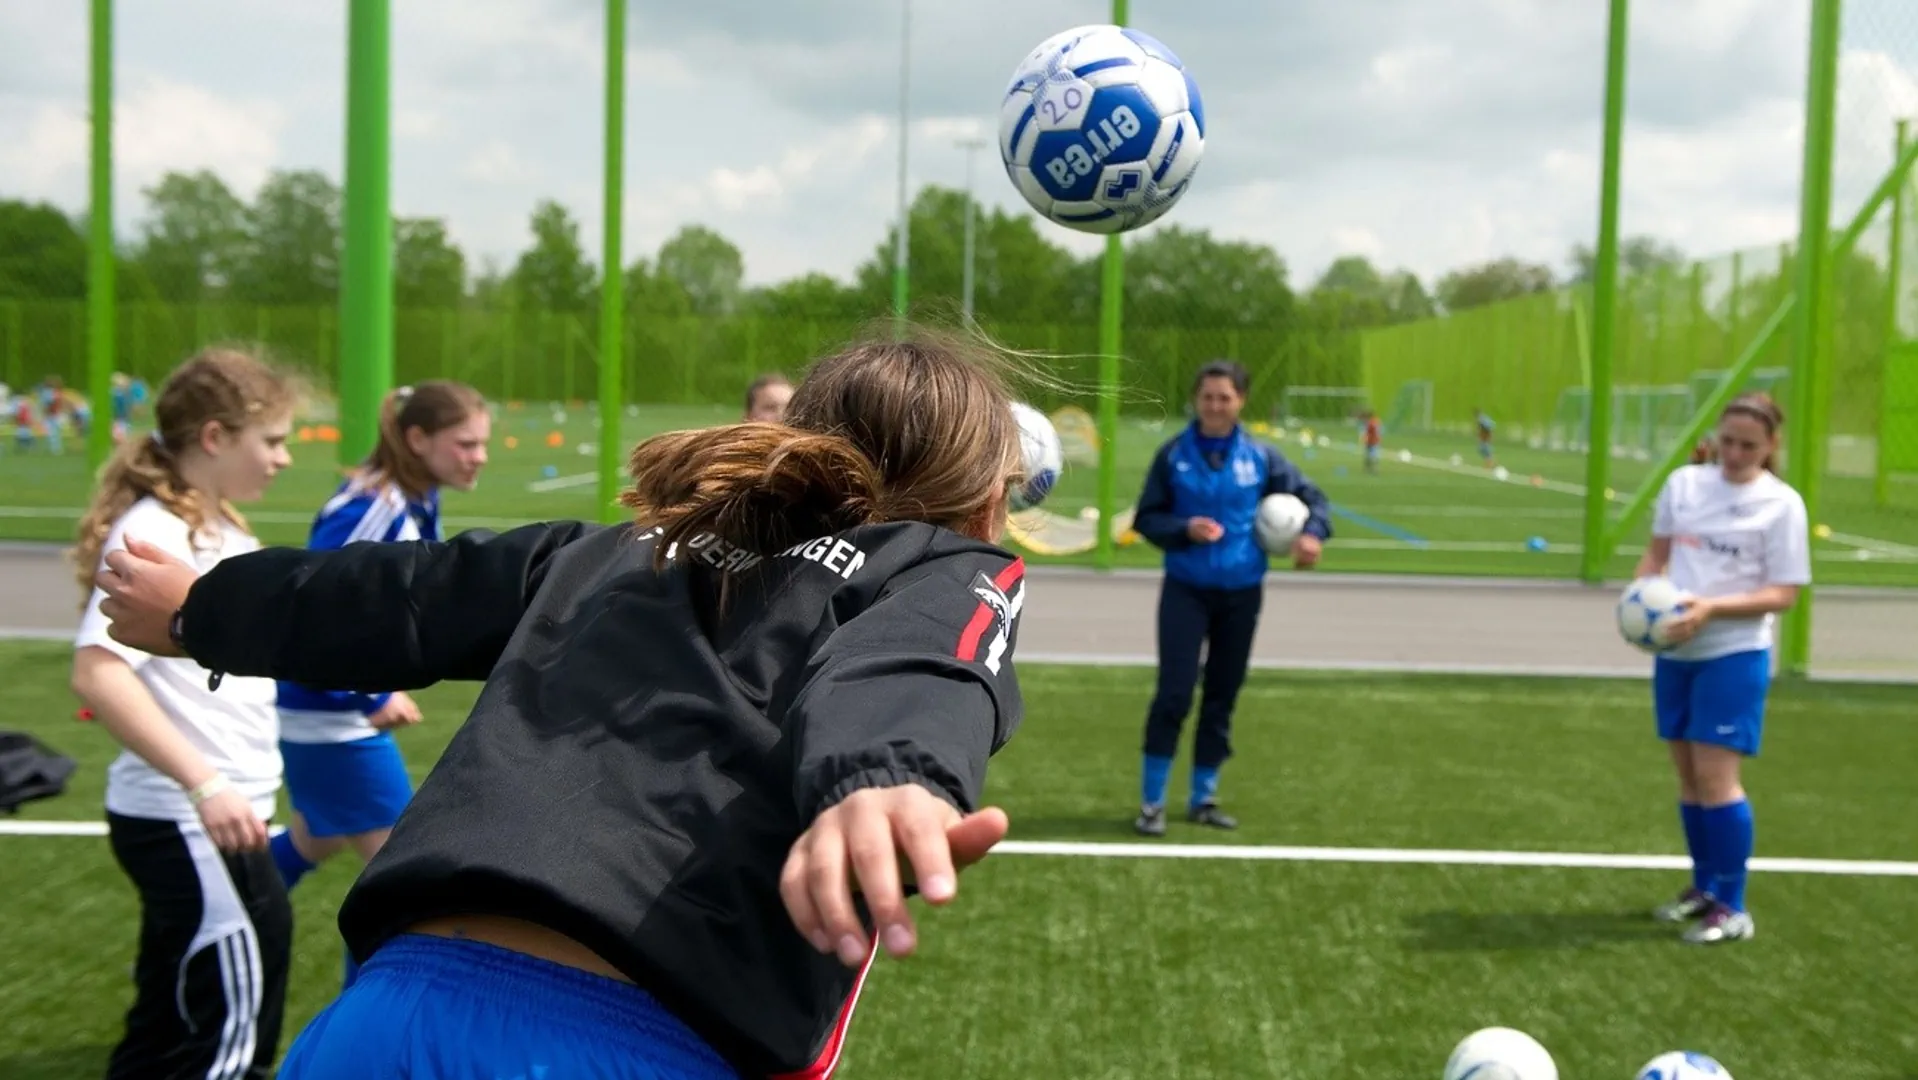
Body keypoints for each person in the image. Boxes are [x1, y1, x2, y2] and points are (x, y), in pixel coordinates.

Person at [93, 324, 1032, 1080]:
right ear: (987, 505)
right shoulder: (948, 569)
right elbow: (917, 666)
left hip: (382, 1020)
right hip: (624, 1047)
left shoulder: (616, 548)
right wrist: (886, 778)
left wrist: (199, 610)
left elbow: (401, 595)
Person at [67, 348, 298, 1079]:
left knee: (167, 1024)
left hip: (205, 813)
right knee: (228, 1040)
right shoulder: (157, 531)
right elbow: (98, 672)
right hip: (190, 819)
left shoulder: (210, 522)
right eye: (271, 441)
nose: (285, 459)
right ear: (213, 438)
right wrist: (205, 784)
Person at [269, 380, 491, 986]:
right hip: (324, 715)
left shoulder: (416, 497)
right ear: (417, 439)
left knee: (318, 838)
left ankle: (235, 901)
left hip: (329, 714)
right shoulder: (376, 507)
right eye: (465, 443)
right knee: (398, 881)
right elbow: (312, 614)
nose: (480, 456)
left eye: (482, 443)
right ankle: (358, 1027)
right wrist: (370, 692)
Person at [1129, 360, 1333, 836]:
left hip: (1242, 594)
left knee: (1221, 695)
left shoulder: (1262, 458)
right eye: (1208, 397)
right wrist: (1184, 529)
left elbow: (1316, 500)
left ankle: (1204, 797)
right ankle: (1151, 803)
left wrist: (1312, 535)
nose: (1216, 405)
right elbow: (1146, 518)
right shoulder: (1174, 455)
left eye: (1225, 397)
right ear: (1195, 400)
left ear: (1240, 401)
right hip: (1185, 591)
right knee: (1174, 695)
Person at [1635, 391, 1809, 945]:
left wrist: (1710, 609)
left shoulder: (1782, 505)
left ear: (1772, 445)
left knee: (1716, 779)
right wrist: (1642, 602)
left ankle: (1733, 906)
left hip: (1732, 654)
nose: (1733, 454)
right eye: (1727, 441)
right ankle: (1704, 888)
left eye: (1748, 446)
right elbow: (1656, 555)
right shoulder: (1684, 485)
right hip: (1676, 653)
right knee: (1688, 778)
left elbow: (1784, 594)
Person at [1360, 409, 1382, 475]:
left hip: (1371, 441)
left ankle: (1372, 469)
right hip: (1375, 441)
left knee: (1370, 456)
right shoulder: (1377, 421)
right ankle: (1372, 469)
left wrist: (1364, 439)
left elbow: (1367, 432)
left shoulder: (1370, 423)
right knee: (1372, 456)